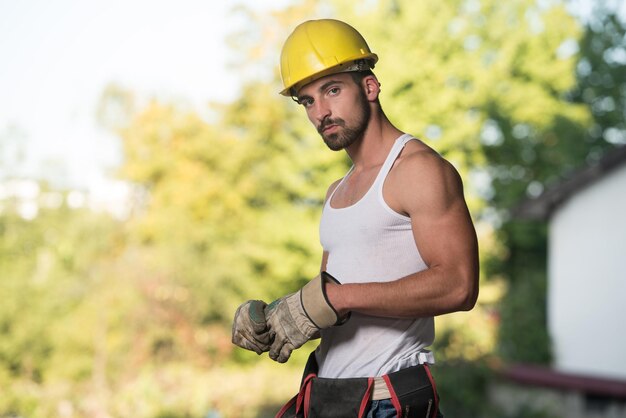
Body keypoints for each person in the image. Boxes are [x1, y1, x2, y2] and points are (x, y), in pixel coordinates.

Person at [232, 19, 479, 418]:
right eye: (307, 100)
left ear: (369, 87)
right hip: (328, 395)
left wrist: (338, 297)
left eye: (332, 89)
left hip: (387, 401)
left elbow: (459, 285)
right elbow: (329, 300)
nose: (321, 112)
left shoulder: (417, 169)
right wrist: (275, 317)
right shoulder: (336, 191)